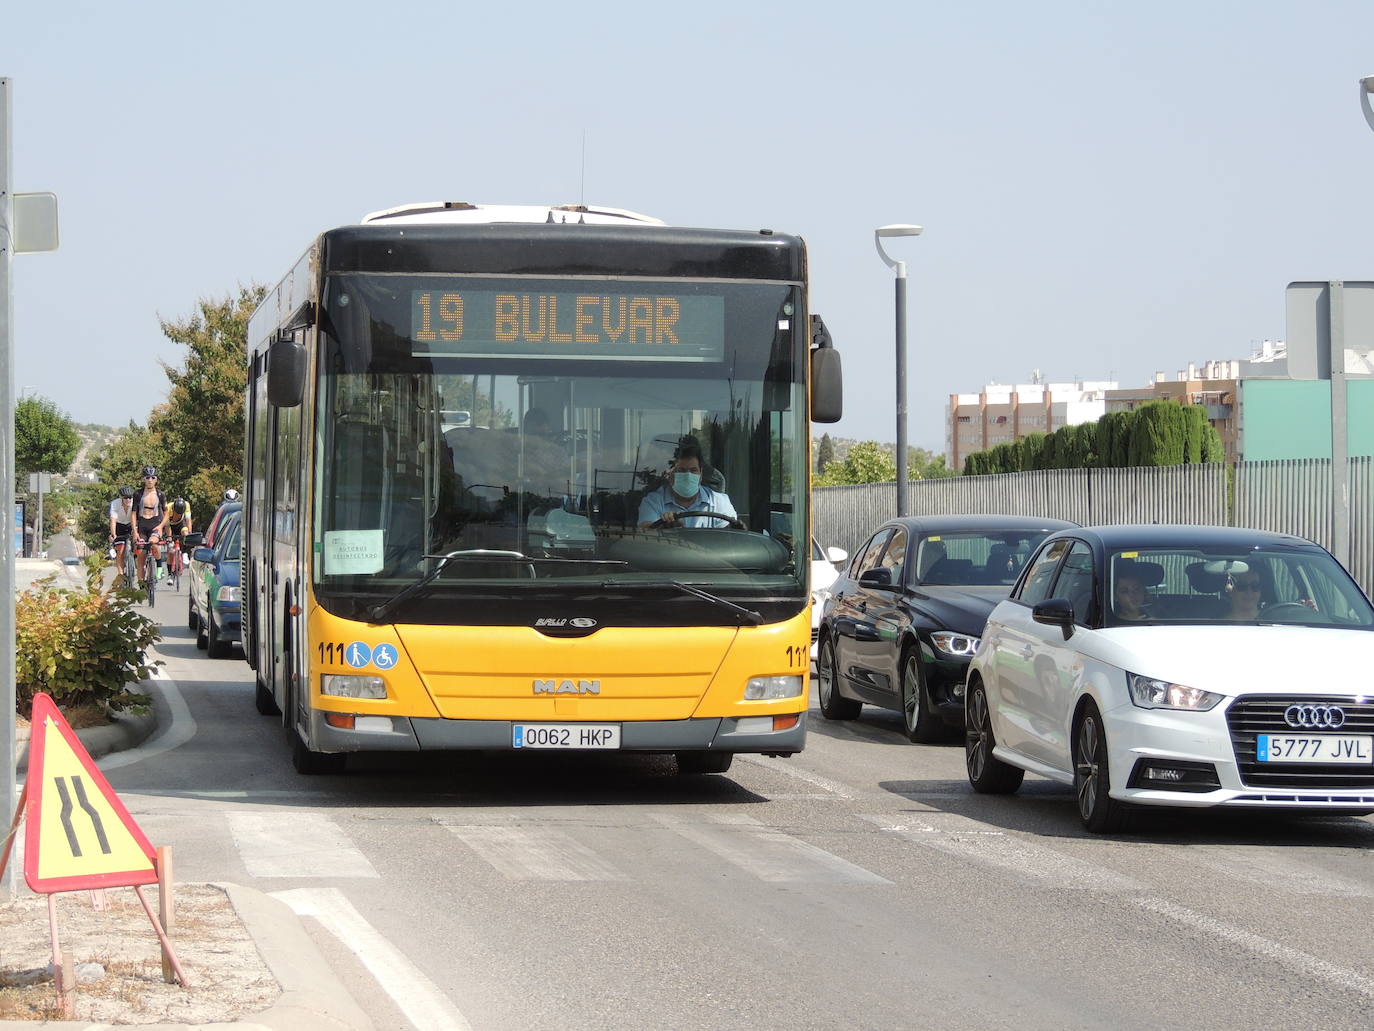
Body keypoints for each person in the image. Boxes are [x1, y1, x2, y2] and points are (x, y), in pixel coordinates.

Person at [637, 437, 740, 529]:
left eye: (693, 470)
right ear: (670, 474)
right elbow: (645, 532)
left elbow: (729, 536)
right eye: (681, 470)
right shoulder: (653, 501)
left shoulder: (720, 501)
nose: (687, 475)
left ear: (701, 474)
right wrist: (665, 527)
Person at [133, 465, 170, 583]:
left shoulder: (160, 494)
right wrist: (135, 531)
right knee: (141, 556)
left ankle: (159, 567)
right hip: (142, 526)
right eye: (147, 477)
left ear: (156, 479)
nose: (150, 480)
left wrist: (160, 526)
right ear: (143, 479)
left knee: (154, 544)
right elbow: (133, 514)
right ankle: (141, 583)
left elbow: (167, 514)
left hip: (155, 524)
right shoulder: (138, 494)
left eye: (153, 477)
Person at [107, 486, 136, 586]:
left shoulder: (135, 503)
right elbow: (113, 521)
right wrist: (113, 534)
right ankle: (121, 574)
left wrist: (136, 532)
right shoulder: (115, 504)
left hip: (131, 524)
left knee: (138, 545)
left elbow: (138, 518)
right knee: (120, 550)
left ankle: (135, 562)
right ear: (121, 498)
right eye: (125, 498)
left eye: (130, 497)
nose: (128, 500)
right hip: (119, 526)